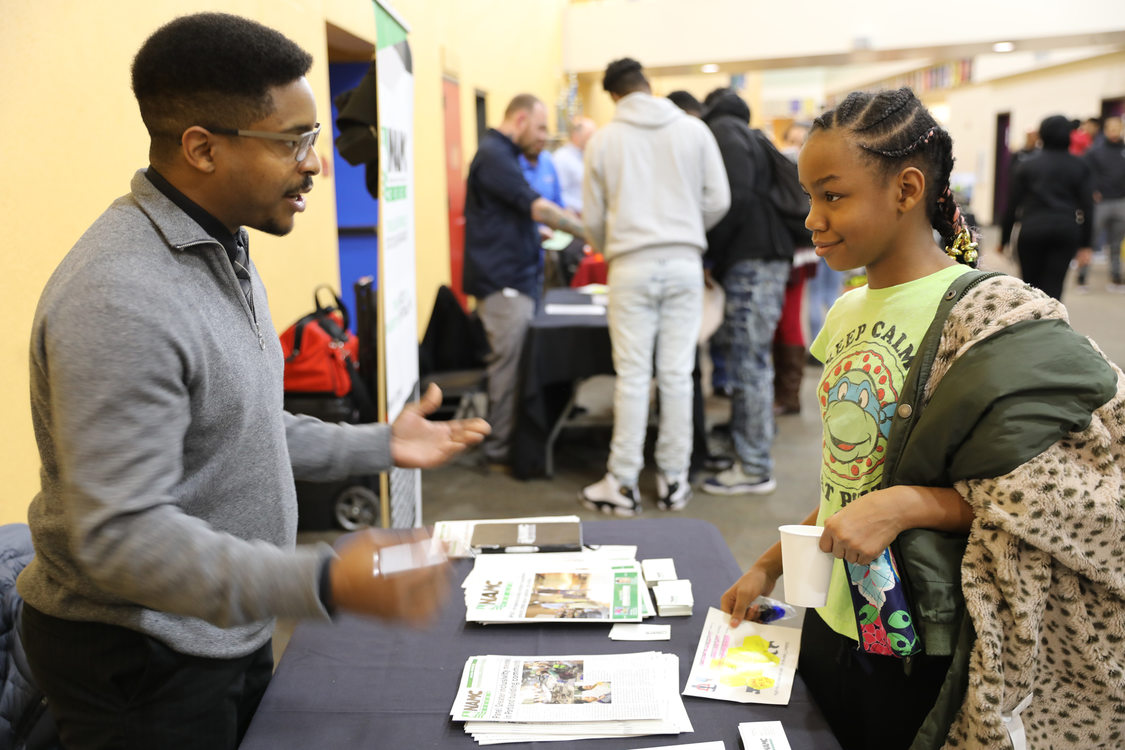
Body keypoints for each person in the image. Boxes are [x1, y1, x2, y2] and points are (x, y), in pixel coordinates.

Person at [17, 14, 490, 750]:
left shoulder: (222, 246)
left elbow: (240, 426)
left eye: (315, 138)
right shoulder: (120, 296)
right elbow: (120, 538)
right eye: (293, 141)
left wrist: (379, 443)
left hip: (219, 625)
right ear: (201, 148)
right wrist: (325, 582)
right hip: (140, 658)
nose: (317, 164)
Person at [721, 87, 1125, 750]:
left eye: (832, 194)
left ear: (905, 189)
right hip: (832, 609)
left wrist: (909, 505)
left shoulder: (989, 317)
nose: (811, 219)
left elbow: (1061, 498)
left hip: (919, 634)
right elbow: (844, 481)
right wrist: (767, 566)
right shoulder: (844, 311)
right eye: (809, 196)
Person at [579, 58, 730, 514]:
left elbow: (591, 218)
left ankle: (622, 483)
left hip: (629, 266)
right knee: (678, 375)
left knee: (632, 377)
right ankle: (673, 481)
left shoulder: (603, 140)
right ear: (647, 85)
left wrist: (617, 246)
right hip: (685, 262)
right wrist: (686, 230)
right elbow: (718, 200)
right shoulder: (692, 131)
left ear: (613, 96)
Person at [463, 94, 585, 466]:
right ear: (518, 119)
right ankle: (500, 449)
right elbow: (538, 207)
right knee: (508, 370)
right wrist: (592, 235)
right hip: (504, 284)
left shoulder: (505, 154)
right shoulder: (494, 156)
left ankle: (511, 442)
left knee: (515, 367)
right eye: (541, 127)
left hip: (517, 279)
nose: (545, 137)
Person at [698, 88, 793, 496]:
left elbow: (730, 202)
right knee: (751, 361)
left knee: (748, 364)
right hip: (766, 260)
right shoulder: (753, 136)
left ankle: (754, 466)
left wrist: (710, 256)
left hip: (750, 263)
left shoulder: (722, 133)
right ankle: (750, 444)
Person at [1000, 114, 1095, 301]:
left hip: (1032, 229)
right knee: (1055, 287)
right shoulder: (1080, 165)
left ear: (1042, 135)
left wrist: (1003, 239)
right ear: (1069, 135)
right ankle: (1053, 324)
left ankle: (1033, 325)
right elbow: (1088, 207)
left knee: (1031, 287)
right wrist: (1086, 245)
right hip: (1065, 229)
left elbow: (1012, 204)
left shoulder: (1026, 165)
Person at [1084, 115, 1125, 290]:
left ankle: (1116, 278)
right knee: (1091, 241)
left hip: (1121, 202)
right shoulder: (1095, 151)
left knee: (1116, 243)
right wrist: (1093, 191)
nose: (1114, 131)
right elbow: (1086, 173)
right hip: (1101, 203)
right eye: (1111, 128)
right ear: (1106, 130)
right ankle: (1081, 277)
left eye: (1117, 128)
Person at [552, 116, 596, 214]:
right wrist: (584, 208)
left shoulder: (589, 156)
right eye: (589, 135)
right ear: (575, 135)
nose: (594, 139)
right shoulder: (562, 158)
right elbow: (559, 194)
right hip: (573, 216)